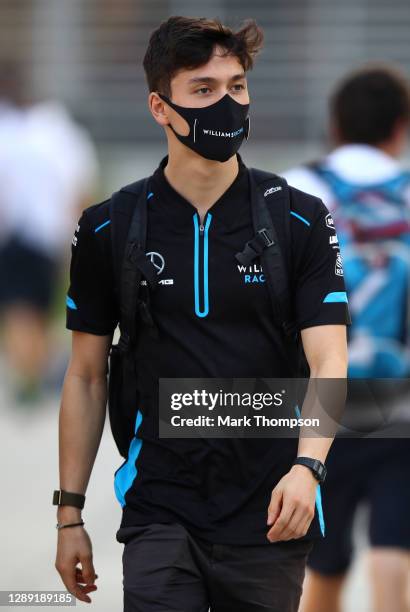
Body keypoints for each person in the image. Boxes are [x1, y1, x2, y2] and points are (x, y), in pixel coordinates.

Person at [54, 17, 350, 612]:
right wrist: (69, 514)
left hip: (273, 505)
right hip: (160, 504)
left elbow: (330, 358)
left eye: (237, 86)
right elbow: (86, 375)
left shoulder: (299, 218)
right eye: (204, 89)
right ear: (160, 106)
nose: (228, 103)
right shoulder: (108, 227)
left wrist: (308, 468)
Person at [284, 66, 410, 612]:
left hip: (317, 402)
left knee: (322, 562)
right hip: (400, 398)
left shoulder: (293, 187)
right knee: (394, 547)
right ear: (401, 127)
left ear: (334, 125)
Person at [0, 62, 99, 403]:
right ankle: (35, 373)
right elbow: (80, 189)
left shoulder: (10, 133)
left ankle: (29, 379)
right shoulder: (61, 134)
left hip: (18, 233)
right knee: (39, 308)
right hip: (51, 234)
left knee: (19, 308)